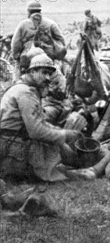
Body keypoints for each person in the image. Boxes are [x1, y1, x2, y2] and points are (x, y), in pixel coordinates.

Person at [0, 53, 81, 182]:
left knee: (58, 146)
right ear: (33, 71)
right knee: (54, 158)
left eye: (49, 74)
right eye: (44, 73)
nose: (48, 78)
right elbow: (36, 131)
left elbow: (40, 122)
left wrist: (61, 134)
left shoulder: (23, 88)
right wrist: (64, 135)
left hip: (11, 144)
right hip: (14, 149)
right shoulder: (26, 93)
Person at [12, 1, 66, 79]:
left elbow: (15, 43)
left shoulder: (23, 24)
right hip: (49, 56)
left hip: (28, 56)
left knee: (17, 65)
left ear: (29, 11)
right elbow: (61, 40)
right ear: (40, 11)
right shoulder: (51, 23)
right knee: (58, 72)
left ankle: (16, 84)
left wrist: (16, 56)